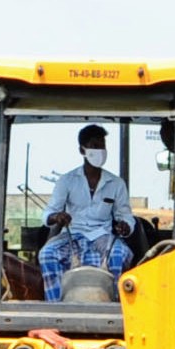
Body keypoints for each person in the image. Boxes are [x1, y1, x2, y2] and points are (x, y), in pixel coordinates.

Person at [38, 123, 134, 301]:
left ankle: (115, 307)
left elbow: (126, 216)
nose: (100, 151)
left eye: (102, 146)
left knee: (120, 254)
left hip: (103, 236)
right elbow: (48, 213)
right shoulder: (66, 181)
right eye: (94, 146)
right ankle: (56, 307)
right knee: (47, 254)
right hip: (73, 234)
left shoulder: (116, 183)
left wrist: (125, 226)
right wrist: (57, 216)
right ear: (82, 150)